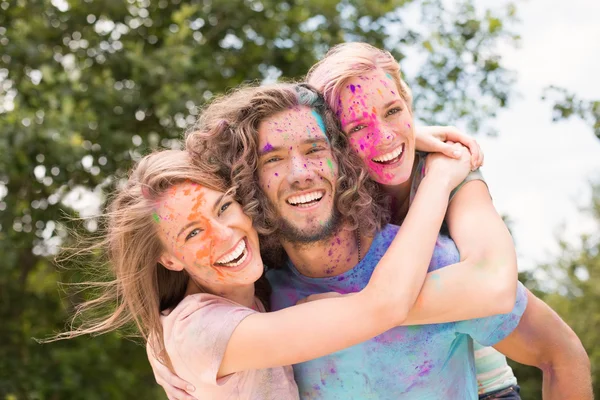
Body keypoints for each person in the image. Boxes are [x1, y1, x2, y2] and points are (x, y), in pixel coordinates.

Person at [156, 82, 591, 399]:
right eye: (272, 159)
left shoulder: (435, 264)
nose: (300, 173)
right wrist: (163, 350)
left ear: (341, 160)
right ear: (246, 183)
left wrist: (431, 158)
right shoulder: (260, 293)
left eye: (314, 149)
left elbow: (563, 355)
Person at [50, 146, 477, 399]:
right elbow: (384, 305)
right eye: (194, 231)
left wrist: (400, 142)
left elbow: (286, 146)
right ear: (169, 259)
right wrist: (439, 180)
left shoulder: (258, 289)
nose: (226, 235)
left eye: (224, 208)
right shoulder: (197, 331)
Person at [305, 41, 520, 399]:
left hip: (481, 387)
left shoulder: (448, 168)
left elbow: (495, 285)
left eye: (393, 111)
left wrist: (351, 311)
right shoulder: (323, 194)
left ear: (409, 105)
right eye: (357, 127)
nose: (384, 136)